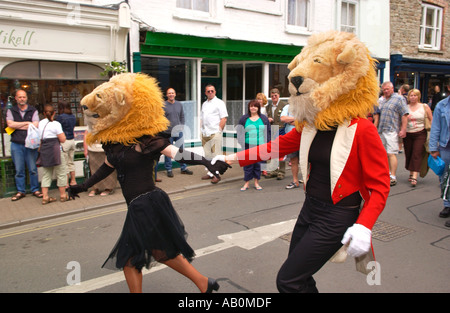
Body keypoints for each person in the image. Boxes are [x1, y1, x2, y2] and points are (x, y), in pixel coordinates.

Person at [6, 89, 42, 201]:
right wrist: (27, 123)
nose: (22, 99)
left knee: (32, 169)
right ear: (16, 98)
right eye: (20, 97)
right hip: (16, 144)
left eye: (24, 97)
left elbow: (35, 125)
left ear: (27, 98)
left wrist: (17, 126)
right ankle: (20, 191)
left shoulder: (33, 110)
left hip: (30, 145)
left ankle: (35, 189)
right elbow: (10, 124)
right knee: (19, 170)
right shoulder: (11, 111)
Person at [377, 81, 409, 186]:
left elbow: (405, 114)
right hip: (382, 130)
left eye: (387, 89)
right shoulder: (382, 100)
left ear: (392, 88)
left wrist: (403, 129)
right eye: (384, 89)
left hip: (392, 130)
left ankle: (393, 176)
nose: (385, 91)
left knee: (391, 153)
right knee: (383, 154)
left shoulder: (399, 99)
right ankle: (386, 173)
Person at [429, 79, 450, 227]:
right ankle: (447, 203)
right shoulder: (442, 106)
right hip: (445, 146)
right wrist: (433, 148)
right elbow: (435, 127)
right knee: (444, 177)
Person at [237, 100, 270, 191]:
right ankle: (246, 183)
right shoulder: (244, 119)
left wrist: (268, 144)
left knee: (258, 165)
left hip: (261, 145)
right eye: (251, 106)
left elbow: (268, 132)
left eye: (255, 106)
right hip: (248, 145)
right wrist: (241, 142)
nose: (253, 108)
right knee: (248, 164)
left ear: (258, 108)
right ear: (249, 107)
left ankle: (256, 183)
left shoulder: (263, 118)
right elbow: (239, 131)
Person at [39, 104, 68, 204]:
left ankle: (45, 197)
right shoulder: (56, 124)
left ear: (43, 113)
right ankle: (63, 195)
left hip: (45, 150)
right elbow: (62, 139)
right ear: (54, 113)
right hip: (55, 150)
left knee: (46, 174)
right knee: (61, 173)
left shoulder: (40, 123)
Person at [403, 89, 433, 187]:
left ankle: (414, 176)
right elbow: (401, 120)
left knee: (417, 153)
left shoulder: (424, 106)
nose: (413, 97)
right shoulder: (405, 107)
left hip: (420, 133)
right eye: (411, 95)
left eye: (415, 95)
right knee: (409, 153)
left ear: (418, 96)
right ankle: (411, 172)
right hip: (408, 134)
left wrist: (433, 134)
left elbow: (431, 120)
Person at [200, 84, 228, 184]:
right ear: (205, 93)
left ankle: (216, 175)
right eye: (208, 91)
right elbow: (202, 119)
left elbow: (224, 118)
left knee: (216, 155)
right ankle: (210, 172)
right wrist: (201, 131)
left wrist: (219, 132)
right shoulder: (204, 104)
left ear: (215, 92)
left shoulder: (220, 103)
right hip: (205, 133)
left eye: (212, 91)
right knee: (207, 155)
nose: (210, 92)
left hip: (214, 133)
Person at [162, 88, 193, 177]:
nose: (171, 94)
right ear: (167, 95)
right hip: (168, 133)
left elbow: (182, 116)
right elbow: (161, 119)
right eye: (169, 93)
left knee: (180, 150)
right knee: (168, 152)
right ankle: (169, 169)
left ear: (175, 94)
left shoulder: (179, 104)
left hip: (178, 132)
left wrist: (182, 126)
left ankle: (183, 168)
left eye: (172, 93)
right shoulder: (163, 105)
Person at [83, 130, 117, 196]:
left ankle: (109, 188)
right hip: (93, 149)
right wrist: (85, 149)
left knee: (108, 168)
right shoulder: (91, 122)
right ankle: (95, 188)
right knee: (94, 169)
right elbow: (86, 134)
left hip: (105, 148)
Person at [264, 88, 288, 180]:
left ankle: (281, 172)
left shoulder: (284, 105)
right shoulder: (268, 107)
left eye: (276, 95)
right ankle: (273, 170)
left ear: (279, 96)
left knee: (281, 152)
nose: (274, 97)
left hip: (281, 130)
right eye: (272, 95)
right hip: (272, 130)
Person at [280, 104, 303, 189]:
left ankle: (306, 180)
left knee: (307, 161)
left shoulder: (304, 106)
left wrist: (290, 120)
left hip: (303, 137)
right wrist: (297, 120)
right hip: (291, 138)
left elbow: (307, 120)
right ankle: (295, 181)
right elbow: (283, 118)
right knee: (293, 161)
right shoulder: (287, 107)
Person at [56, 101, 77, 187]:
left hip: (64, 141)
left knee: (64, 163)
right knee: (71, 162)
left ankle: (66, 183)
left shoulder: (60, 117)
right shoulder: (73, 116)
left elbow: (57, 129)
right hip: (72, 141)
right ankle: (73, 181)